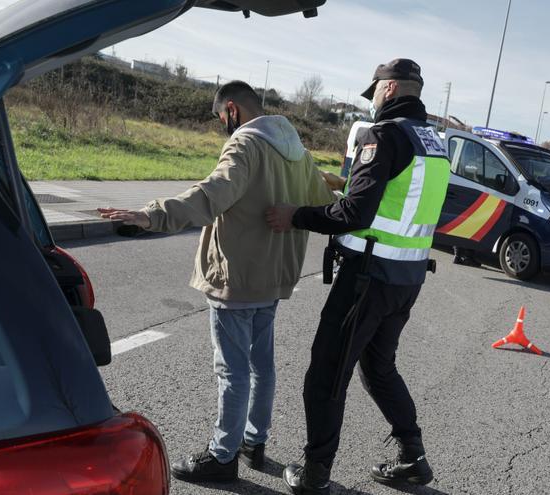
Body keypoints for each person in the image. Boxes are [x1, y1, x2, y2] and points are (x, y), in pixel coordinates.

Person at [98, 81, 335, 483]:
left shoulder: (245, 145)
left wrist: (151, 215)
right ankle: (254, 442)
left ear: (231, 110)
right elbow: (323, 198)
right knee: (262, 365)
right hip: (274, 278)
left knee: (233, 371)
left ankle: (223, 455)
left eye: (220, 119)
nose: (222, 125)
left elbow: (211, 194)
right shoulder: (299, 153)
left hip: (236, 277)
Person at [264, 58, 450, 494]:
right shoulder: (435, 145)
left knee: (327, 374)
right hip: (406, 279)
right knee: (379, 368)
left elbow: (356, 213)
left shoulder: (381, 136)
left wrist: (297, 216)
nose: (372, 103)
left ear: (388, 89)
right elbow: (395, 200)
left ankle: (315, 474)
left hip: (368, 277)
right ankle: (413, 458)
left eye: (375, 94)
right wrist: (344, 184)